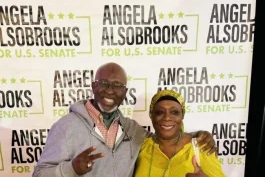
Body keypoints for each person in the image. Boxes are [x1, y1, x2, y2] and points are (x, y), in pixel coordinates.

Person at [33, 62, 217, 177]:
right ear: (93, 86)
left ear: (125, 92)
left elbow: (163, 136)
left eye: (117, 85)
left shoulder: (132, 129)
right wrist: (71, 169)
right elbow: (39, 174)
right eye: (104, 83)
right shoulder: (67, 126)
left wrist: (198, 135)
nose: (110, 90)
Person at [134, 89, 225, 177]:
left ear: (182, 117)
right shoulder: (140, 147)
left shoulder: (201, 146)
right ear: (151, 116)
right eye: (159, 112)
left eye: (174, 112)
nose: (167, 117)